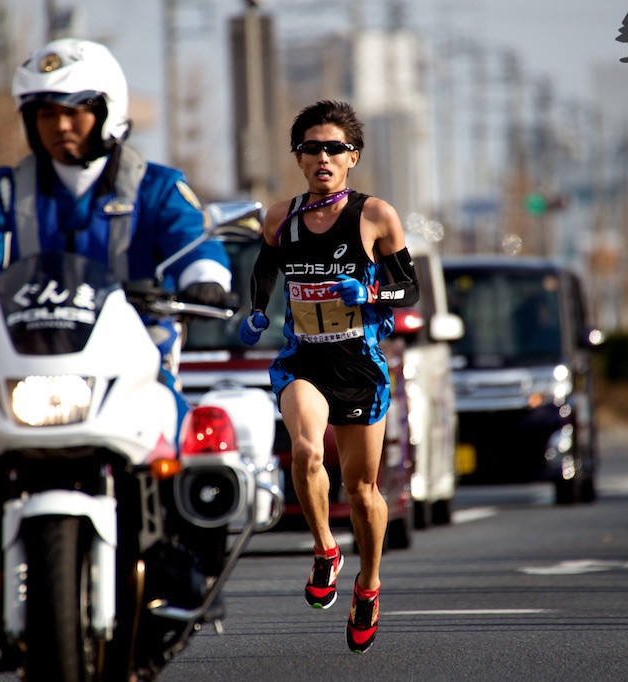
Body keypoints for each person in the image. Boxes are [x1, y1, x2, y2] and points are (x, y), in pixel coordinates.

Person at [0, 38, 232, 623]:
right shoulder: (11, 188)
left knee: (189, 437)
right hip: (31, 356)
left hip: (135, 356)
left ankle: (185, 568)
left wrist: (206, 277)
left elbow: (195, 238)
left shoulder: (155, 184)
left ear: (107, 109)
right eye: (45, 113)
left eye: (74, 110)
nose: (61, 125)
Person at [238, 100, 420, 654]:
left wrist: (366, 293)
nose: (323, 157)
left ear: (352, 158)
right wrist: (257, 311)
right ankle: (324, 551)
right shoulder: (279, 217)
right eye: (312, 147)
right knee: (305, 451)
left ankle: (368, 586)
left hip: (359, 365)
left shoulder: (376, 217)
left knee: (363, 490)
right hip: (304, 360)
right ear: (298, 157)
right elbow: (265, 267)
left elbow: (409, 291)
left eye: (334, 148)